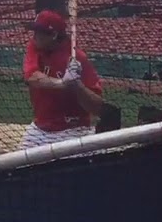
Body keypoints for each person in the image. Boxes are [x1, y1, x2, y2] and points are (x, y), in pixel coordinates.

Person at [20, 9, 103, 148]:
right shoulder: (34, 47)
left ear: (53, 35)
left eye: (38, 32)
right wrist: (63, 83)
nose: (33, 37)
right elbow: (32, 78)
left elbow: (97, 107)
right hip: (40, 129)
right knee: (17, 167)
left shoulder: (78, 58)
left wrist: (77, 85)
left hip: (73, 130)